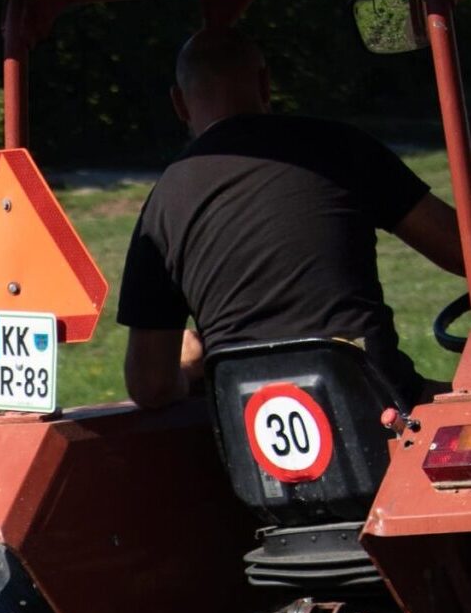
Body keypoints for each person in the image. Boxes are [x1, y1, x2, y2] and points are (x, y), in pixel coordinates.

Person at [119, 27, 466, 409]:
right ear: (265, 84)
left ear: (180, 104)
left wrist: (194, 362)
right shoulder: (340, 148)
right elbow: (459, 248)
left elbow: (150, 385)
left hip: (250, 441)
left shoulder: (164, 201)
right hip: (382, 410)